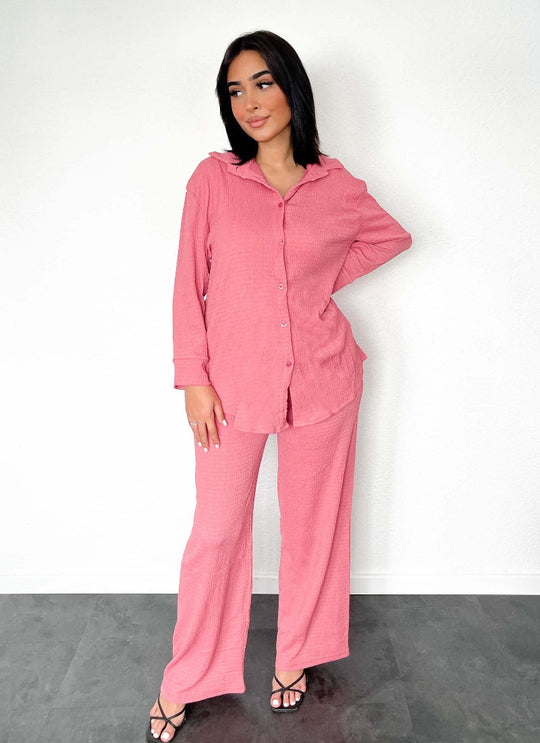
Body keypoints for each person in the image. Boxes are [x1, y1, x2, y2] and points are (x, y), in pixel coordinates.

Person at [146, 29, 412, 742]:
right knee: (216, 532)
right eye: (235, 91)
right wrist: (192, 378)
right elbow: (187, 285)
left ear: (292, 87)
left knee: (314, 525)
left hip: (325, 379)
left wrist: (309, 286)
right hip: (229, 388)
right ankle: (188, 675)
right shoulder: (213, 180)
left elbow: (392, 237)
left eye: (262, 83)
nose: (250, 102)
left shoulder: (337, 185)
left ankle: (296, 653)